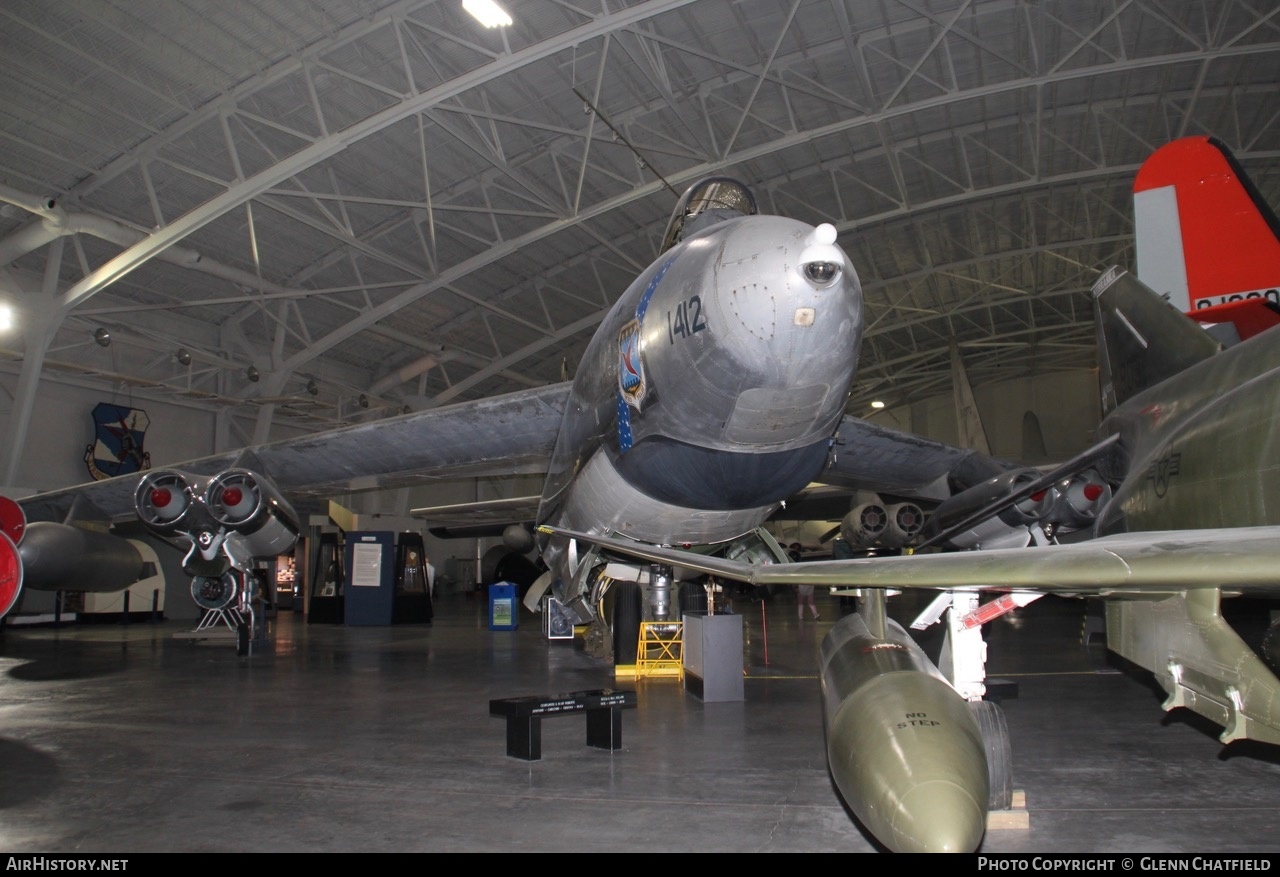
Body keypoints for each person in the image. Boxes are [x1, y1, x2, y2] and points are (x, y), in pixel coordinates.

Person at [790, 542, 819, 620]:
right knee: (805, 601)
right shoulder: (801, 564)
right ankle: (806, 615)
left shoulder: (797, 565)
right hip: (805, 583)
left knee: (806, 601)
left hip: (806, 583)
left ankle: (813, 615)